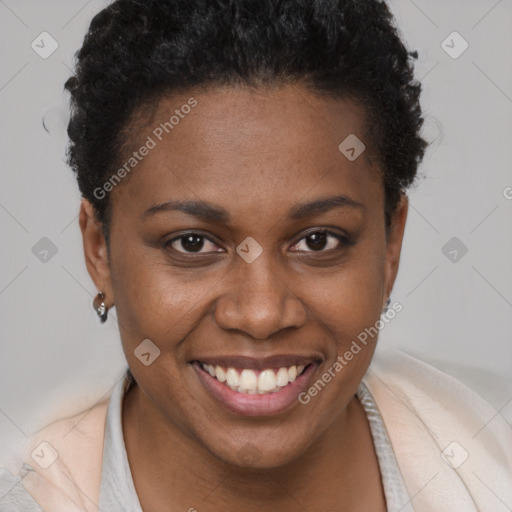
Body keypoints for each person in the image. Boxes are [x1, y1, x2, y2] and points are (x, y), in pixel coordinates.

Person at [1, 0, 510, 510]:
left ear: (390, 245)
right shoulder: (25, 493)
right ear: (99, 251)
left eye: (318, 241)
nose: (262, 314)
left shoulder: (493, 456)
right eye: (193, 243)